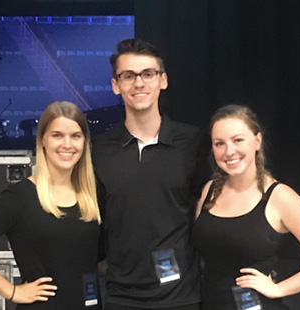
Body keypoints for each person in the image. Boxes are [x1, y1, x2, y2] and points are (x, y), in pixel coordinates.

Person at [92, 38, 208, 310]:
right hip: (121, 297)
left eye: (148, 74)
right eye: (128, 76)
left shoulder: (193, 143)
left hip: (181, 296)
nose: (139, 83)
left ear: (163, 80)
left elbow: (214, 212)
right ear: (115, 85)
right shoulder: (98, 150)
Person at [192, 104, 300, 310]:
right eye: (219, 143)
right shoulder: (210, 191)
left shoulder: (281, 198)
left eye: (238, 140)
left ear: (257, 141)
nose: (229, 151)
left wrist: (279, 289)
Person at [0, 101, 101, 310]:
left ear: (85, 142)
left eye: (76, 136)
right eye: (57, 135)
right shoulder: (20, 196)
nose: (67, 144)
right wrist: (12, 291)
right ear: (42, 140)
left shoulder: (91, 196)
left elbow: (96, 259)